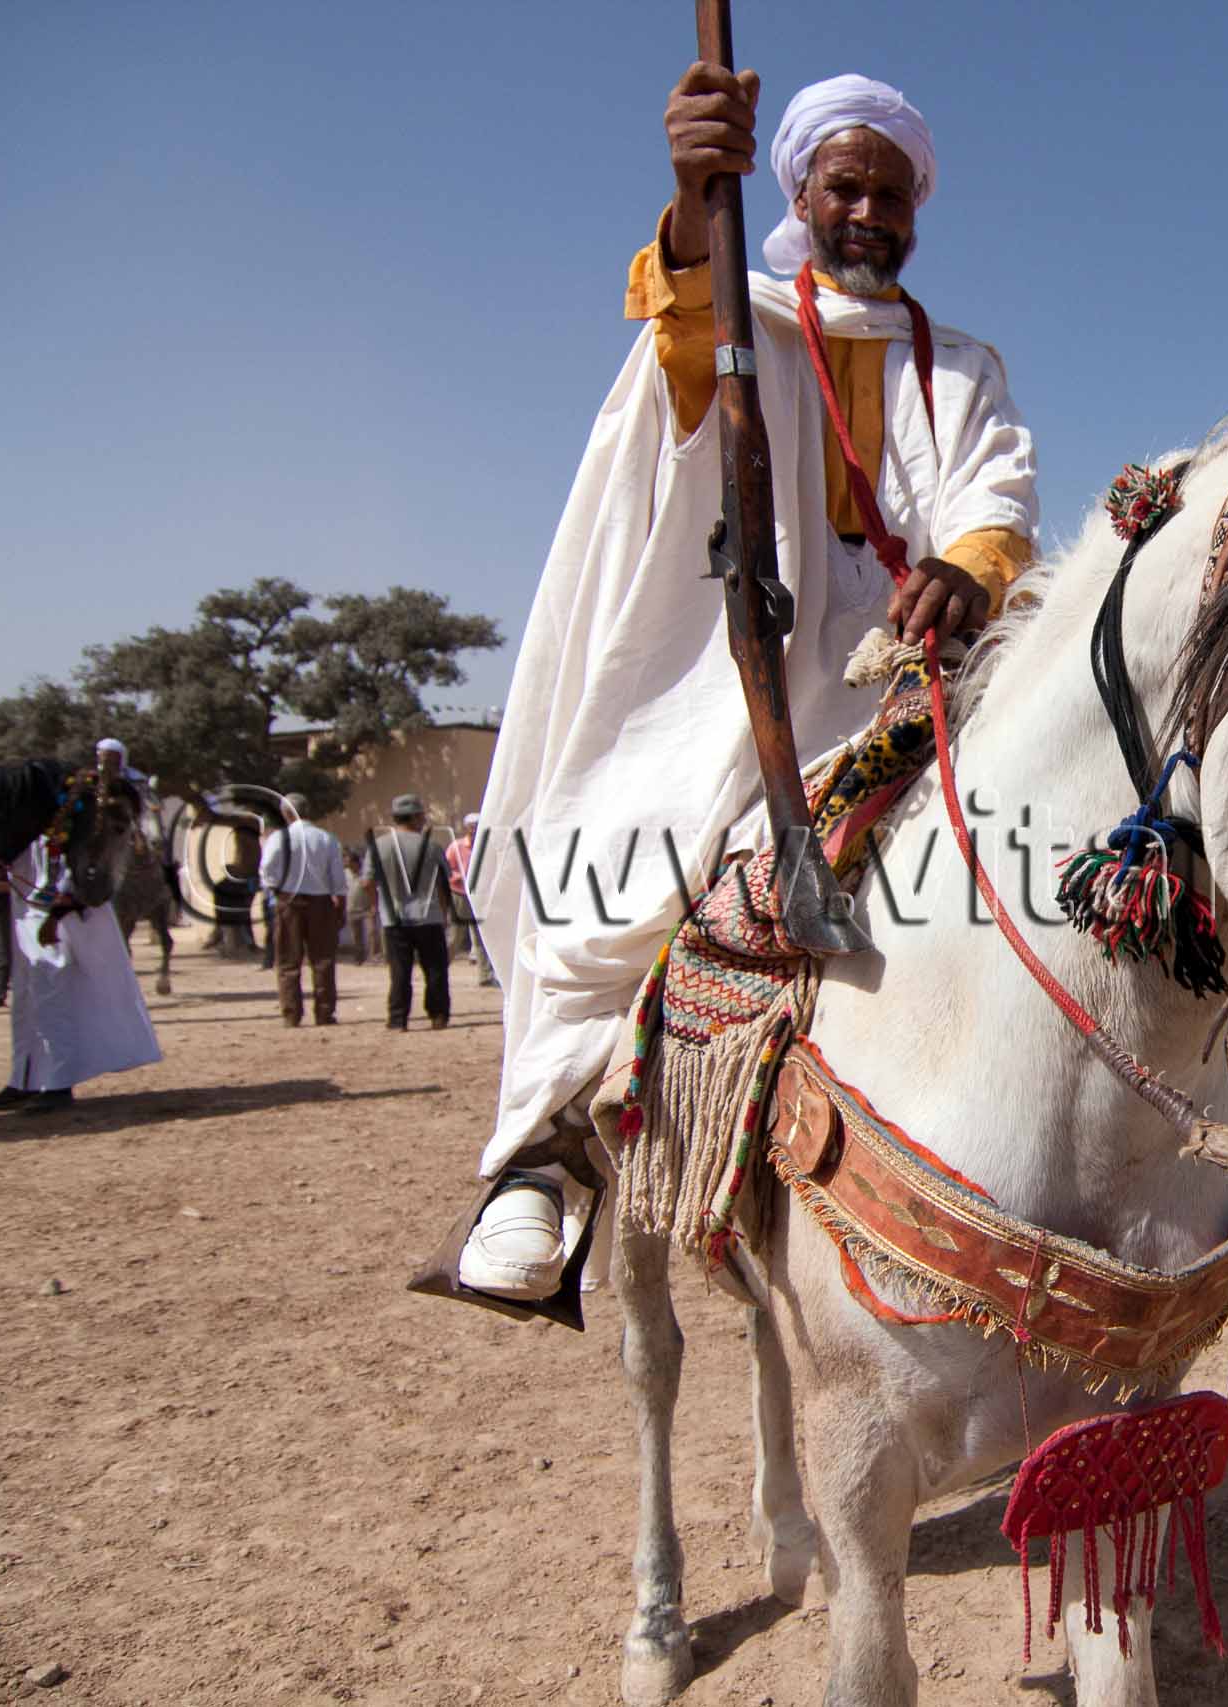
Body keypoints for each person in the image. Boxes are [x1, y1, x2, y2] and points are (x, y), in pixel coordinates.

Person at [454, 64, 1039, 1304]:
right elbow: (675, 334)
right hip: (731, 678)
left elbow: (998, 494)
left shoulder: (961, 363)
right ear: (800, 197)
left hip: (904, 686)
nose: (869, 213)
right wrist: (688, 194)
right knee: (619, 864)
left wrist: (973, 566)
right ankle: (546, 1158)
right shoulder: (740, 319)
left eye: (892, 194)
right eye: (846, 188)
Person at [0, 811, 162, 1114]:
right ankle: (23, 1080)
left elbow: (80, 878)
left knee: (53, 1000)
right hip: (25, 916)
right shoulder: (23, 821)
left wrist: (55, 916)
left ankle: (58, 1083)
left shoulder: (72, 821)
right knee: (25, 1002)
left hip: (60, 921)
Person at [365, 794, 456, 1032]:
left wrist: (376, 906)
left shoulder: (379, 846)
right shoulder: (432, 847)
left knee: (399, 971)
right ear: (415, 817)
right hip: (428, 917)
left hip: (394, 918)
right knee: (435, 969)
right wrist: (444, 913)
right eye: (422, 816)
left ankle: (398, 1019)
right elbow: (443, 884)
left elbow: (367, 881)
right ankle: (438, 1015)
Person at [260, 794, 347, 1027]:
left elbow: (267, 870)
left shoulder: (278, 838)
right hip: (321, 902)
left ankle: (291, 1013)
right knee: (323, 959)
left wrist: (276, 890)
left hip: (289, 900)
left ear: (286, 813)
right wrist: (340, 905)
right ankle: (325, 1012)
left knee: (288, 959)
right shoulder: (326, 838)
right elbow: (338, 878)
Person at [445, 812, 498, 987]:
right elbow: (446, 870)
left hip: (479, 895)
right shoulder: (456, 847)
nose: (475, 831)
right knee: (455, 936)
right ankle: (441, 968)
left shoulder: (486, 847)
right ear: (467, 828)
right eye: (472, 827)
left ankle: (485, 975)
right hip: (460, 894)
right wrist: (460, 877)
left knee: (481, 935)